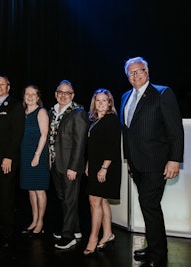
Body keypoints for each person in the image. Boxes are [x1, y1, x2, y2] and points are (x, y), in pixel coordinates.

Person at [120, 56, 184, 267]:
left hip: (157, 163)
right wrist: (128, 159)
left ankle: (159, 254)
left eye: (140, 71)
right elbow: (128, 132)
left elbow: (175, 130)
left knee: (149, 205)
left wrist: (174, 160)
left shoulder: (162, 93)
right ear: (127, 76)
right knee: (149, 206)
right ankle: (154, 246)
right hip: (136, 164)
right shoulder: (125, 97)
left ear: (147, 72)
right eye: (132, 72)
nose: (136, 75)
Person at [48, 79, 88, 250]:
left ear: (72, 95)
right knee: (64, 199)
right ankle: (76, 229)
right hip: (55, 163)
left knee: (70, 200)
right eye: (60, 92)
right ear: (56, 94)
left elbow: (80, 143)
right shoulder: (52, 111)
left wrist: (73, 167)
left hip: (69, 166)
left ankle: (68, 236)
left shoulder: (78, 113)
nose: (63, 95)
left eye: (67, 93)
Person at [0, 75, 25, 247]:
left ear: (8, 87)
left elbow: (17, 135)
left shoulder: (15, 106)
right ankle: (2, 224)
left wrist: (8, 157)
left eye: (3, 84)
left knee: (6, 193)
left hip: (6, 160)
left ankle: (8, 227)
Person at [83, 88, 121, 256]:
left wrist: (104, 168)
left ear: (110, 103)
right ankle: (108, 234)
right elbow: (94, 147)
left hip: (107, 166)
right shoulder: (96, 120)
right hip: (96, 165)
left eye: (104, 100)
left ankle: (93, 238)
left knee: (94, 201)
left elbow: (112, 147)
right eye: (98, 100)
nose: (100, 103)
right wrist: (89, 164)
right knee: (102, 200)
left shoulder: (111, 119)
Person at [19, 85, 50, 238]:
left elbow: (44, 135)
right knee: (30, 189)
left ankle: (40, 223)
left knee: (39, 189)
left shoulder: (41, 111)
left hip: (37, 154)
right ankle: (34, 220)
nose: (30, 96)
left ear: (38, 97)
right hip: (25, 154)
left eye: (33, 94)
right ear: (24, 96)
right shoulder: (22, 113)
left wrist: (37, 155)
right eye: (27, 94)